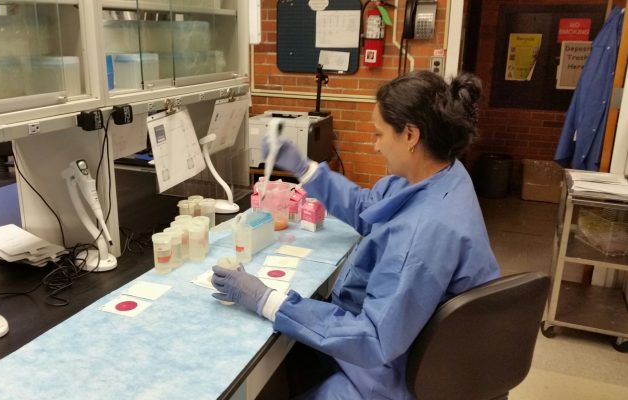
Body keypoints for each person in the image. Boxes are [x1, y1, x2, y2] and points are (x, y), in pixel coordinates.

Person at [211, 70, 500, 400]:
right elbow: (369, 207)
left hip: (389, 374)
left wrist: (267, 299)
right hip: (404, 343)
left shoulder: (424, 234)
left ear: (410, 135)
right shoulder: (438, 174)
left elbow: (372, 339)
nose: (376, 146)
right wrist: (305, 168)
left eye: (379, 134)